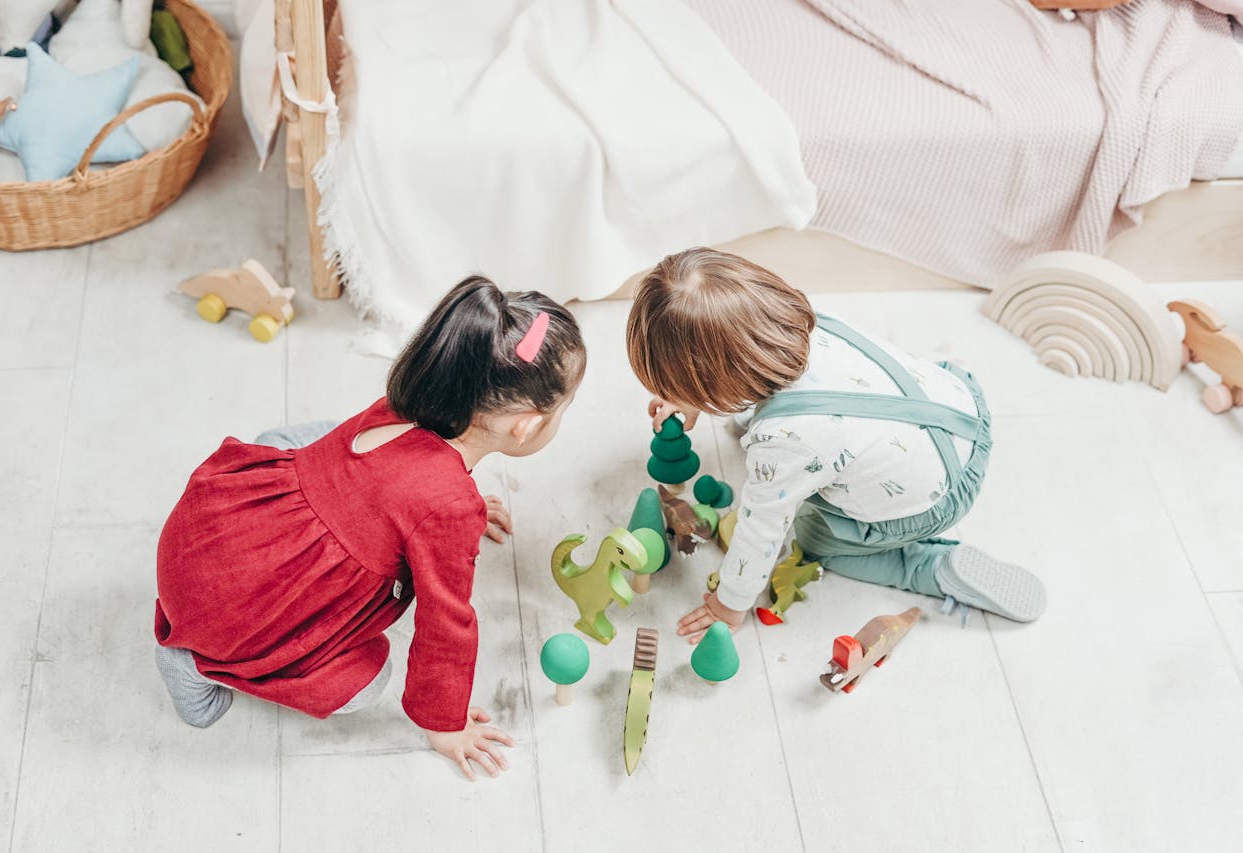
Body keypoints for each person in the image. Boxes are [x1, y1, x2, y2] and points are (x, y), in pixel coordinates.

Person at [154, 277, 585, 780]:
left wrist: (455, 507)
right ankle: (194, 663)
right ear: (527, 426)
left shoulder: (406, 405)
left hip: (209, 533)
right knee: (367, 680)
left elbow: (399, 487)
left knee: (293, 440)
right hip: (235, 614)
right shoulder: (448, 508)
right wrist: (442, 723)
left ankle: (201, 629)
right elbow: (447, 625)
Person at [624, 248, 1046, 643]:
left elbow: (760, 532)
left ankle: (928, 567)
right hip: (960, 416)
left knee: (815, 540)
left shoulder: (784, 441)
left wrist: (728, 606)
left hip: (934, 501)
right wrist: (694, 393)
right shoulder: (809, 322)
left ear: (711, 383)